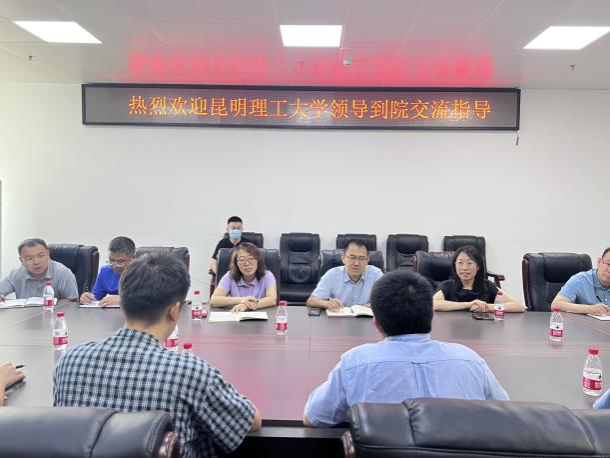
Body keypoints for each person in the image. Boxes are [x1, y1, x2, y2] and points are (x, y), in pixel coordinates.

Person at [54, 252, 261, 458]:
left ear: (123, 301)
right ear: (174, 310)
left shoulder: (70, 362)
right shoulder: (190, 372)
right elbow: (250, 421)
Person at [303, 270, 508, 427]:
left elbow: (313, 418)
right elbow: (504, 414)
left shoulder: (355, 363)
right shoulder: (470, 361)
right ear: (431, 316)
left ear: (376, 323)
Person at [433, 245, 524, 313]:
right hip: (454, 329)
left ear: (478, 266)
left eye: (469, 263)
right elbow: (433, 304)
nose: (464, 268)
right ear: (455, 265)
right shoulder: (447, 285)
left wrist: (488, 307)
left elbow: (518, 306)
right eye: (460, 263)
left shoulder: (487, 286)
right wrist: (468, 305)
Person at [306, 239, 383, 311]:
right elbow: (311, 301)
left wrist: (373, 305)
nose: (356, 263)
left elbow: (386, 301)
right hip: (339, 317)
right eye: (352, 258)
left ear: (367, 260)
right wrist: (326, 303)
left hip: (366, 318)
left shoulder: (376, 274)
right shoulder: (332, 274)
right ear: (343, 258)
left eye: (362, 258)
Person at [0, 238, 78, 302]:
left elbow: (72, 302)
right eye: (29, 258)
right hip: (26, 315)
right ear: (21, 261)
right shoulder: (16, 274)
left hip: (53, 314)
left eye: (41, 256)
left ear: (48, 254)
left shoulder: (63, 273)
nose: (36, 262)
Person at [209, 242, 277, 312]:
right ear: (236, 263)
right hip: (236, 315)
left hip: (261, 316)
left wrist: (246, 305)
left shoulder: (267, 276)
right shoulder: (230, 276)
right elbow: (214, 301)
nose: (247, 263)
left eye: (251, 258)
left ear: (258, 261)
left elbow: (272, 300)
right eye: (242, 260)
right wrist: (241, 300)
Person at [551, 248, 610, 316]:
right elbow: (556, 305)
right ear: (599, 262)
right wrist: (591, 309)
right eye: (608, 264)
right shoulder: (580, 280)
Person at [80, 236, 135, 307]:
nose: (114, 266)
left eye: (120, 261)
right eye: (111, 260)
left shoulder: (144, 273)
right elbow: (96, 298)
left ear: (134, 258)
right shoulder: (105, 272)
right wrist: (87, 298)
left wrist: (123, 299)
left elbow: (147, 299)